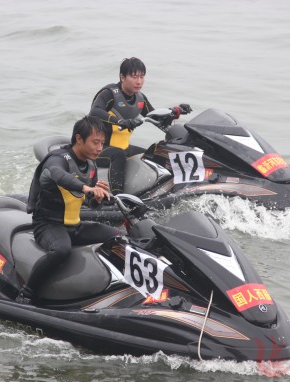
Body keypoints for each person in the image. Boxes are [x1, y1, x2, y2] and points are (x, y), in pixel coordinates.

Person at [17, 116, 121, 304]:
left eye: (102, 143)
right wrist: (86, 187)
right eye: (95, 142)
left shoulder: (90, 165)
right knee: (61, 250)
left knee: (118, 238)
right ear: (79, 139)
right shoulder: (57, 160)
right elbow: (59, 176)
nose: (100, 148)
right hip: (47, 225)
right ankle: (26, 293)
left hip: (75, 226)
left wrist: (97, 197)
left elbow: (91, 205)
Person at [89, 57, 192, 195]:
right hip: (97, 150)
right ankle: (118, 197)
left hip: (124, 148)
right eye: (134, 77)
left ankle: (162, 192)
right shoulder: (109, 94)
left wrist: (175, 111)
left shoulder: (140, 98)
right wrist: (120, 122)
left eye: (142, 77)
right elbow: (95, 112)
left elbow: (156, 117)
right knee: (118, 154)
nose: (139, 81)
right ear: (122, 77)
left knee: (152, 154)